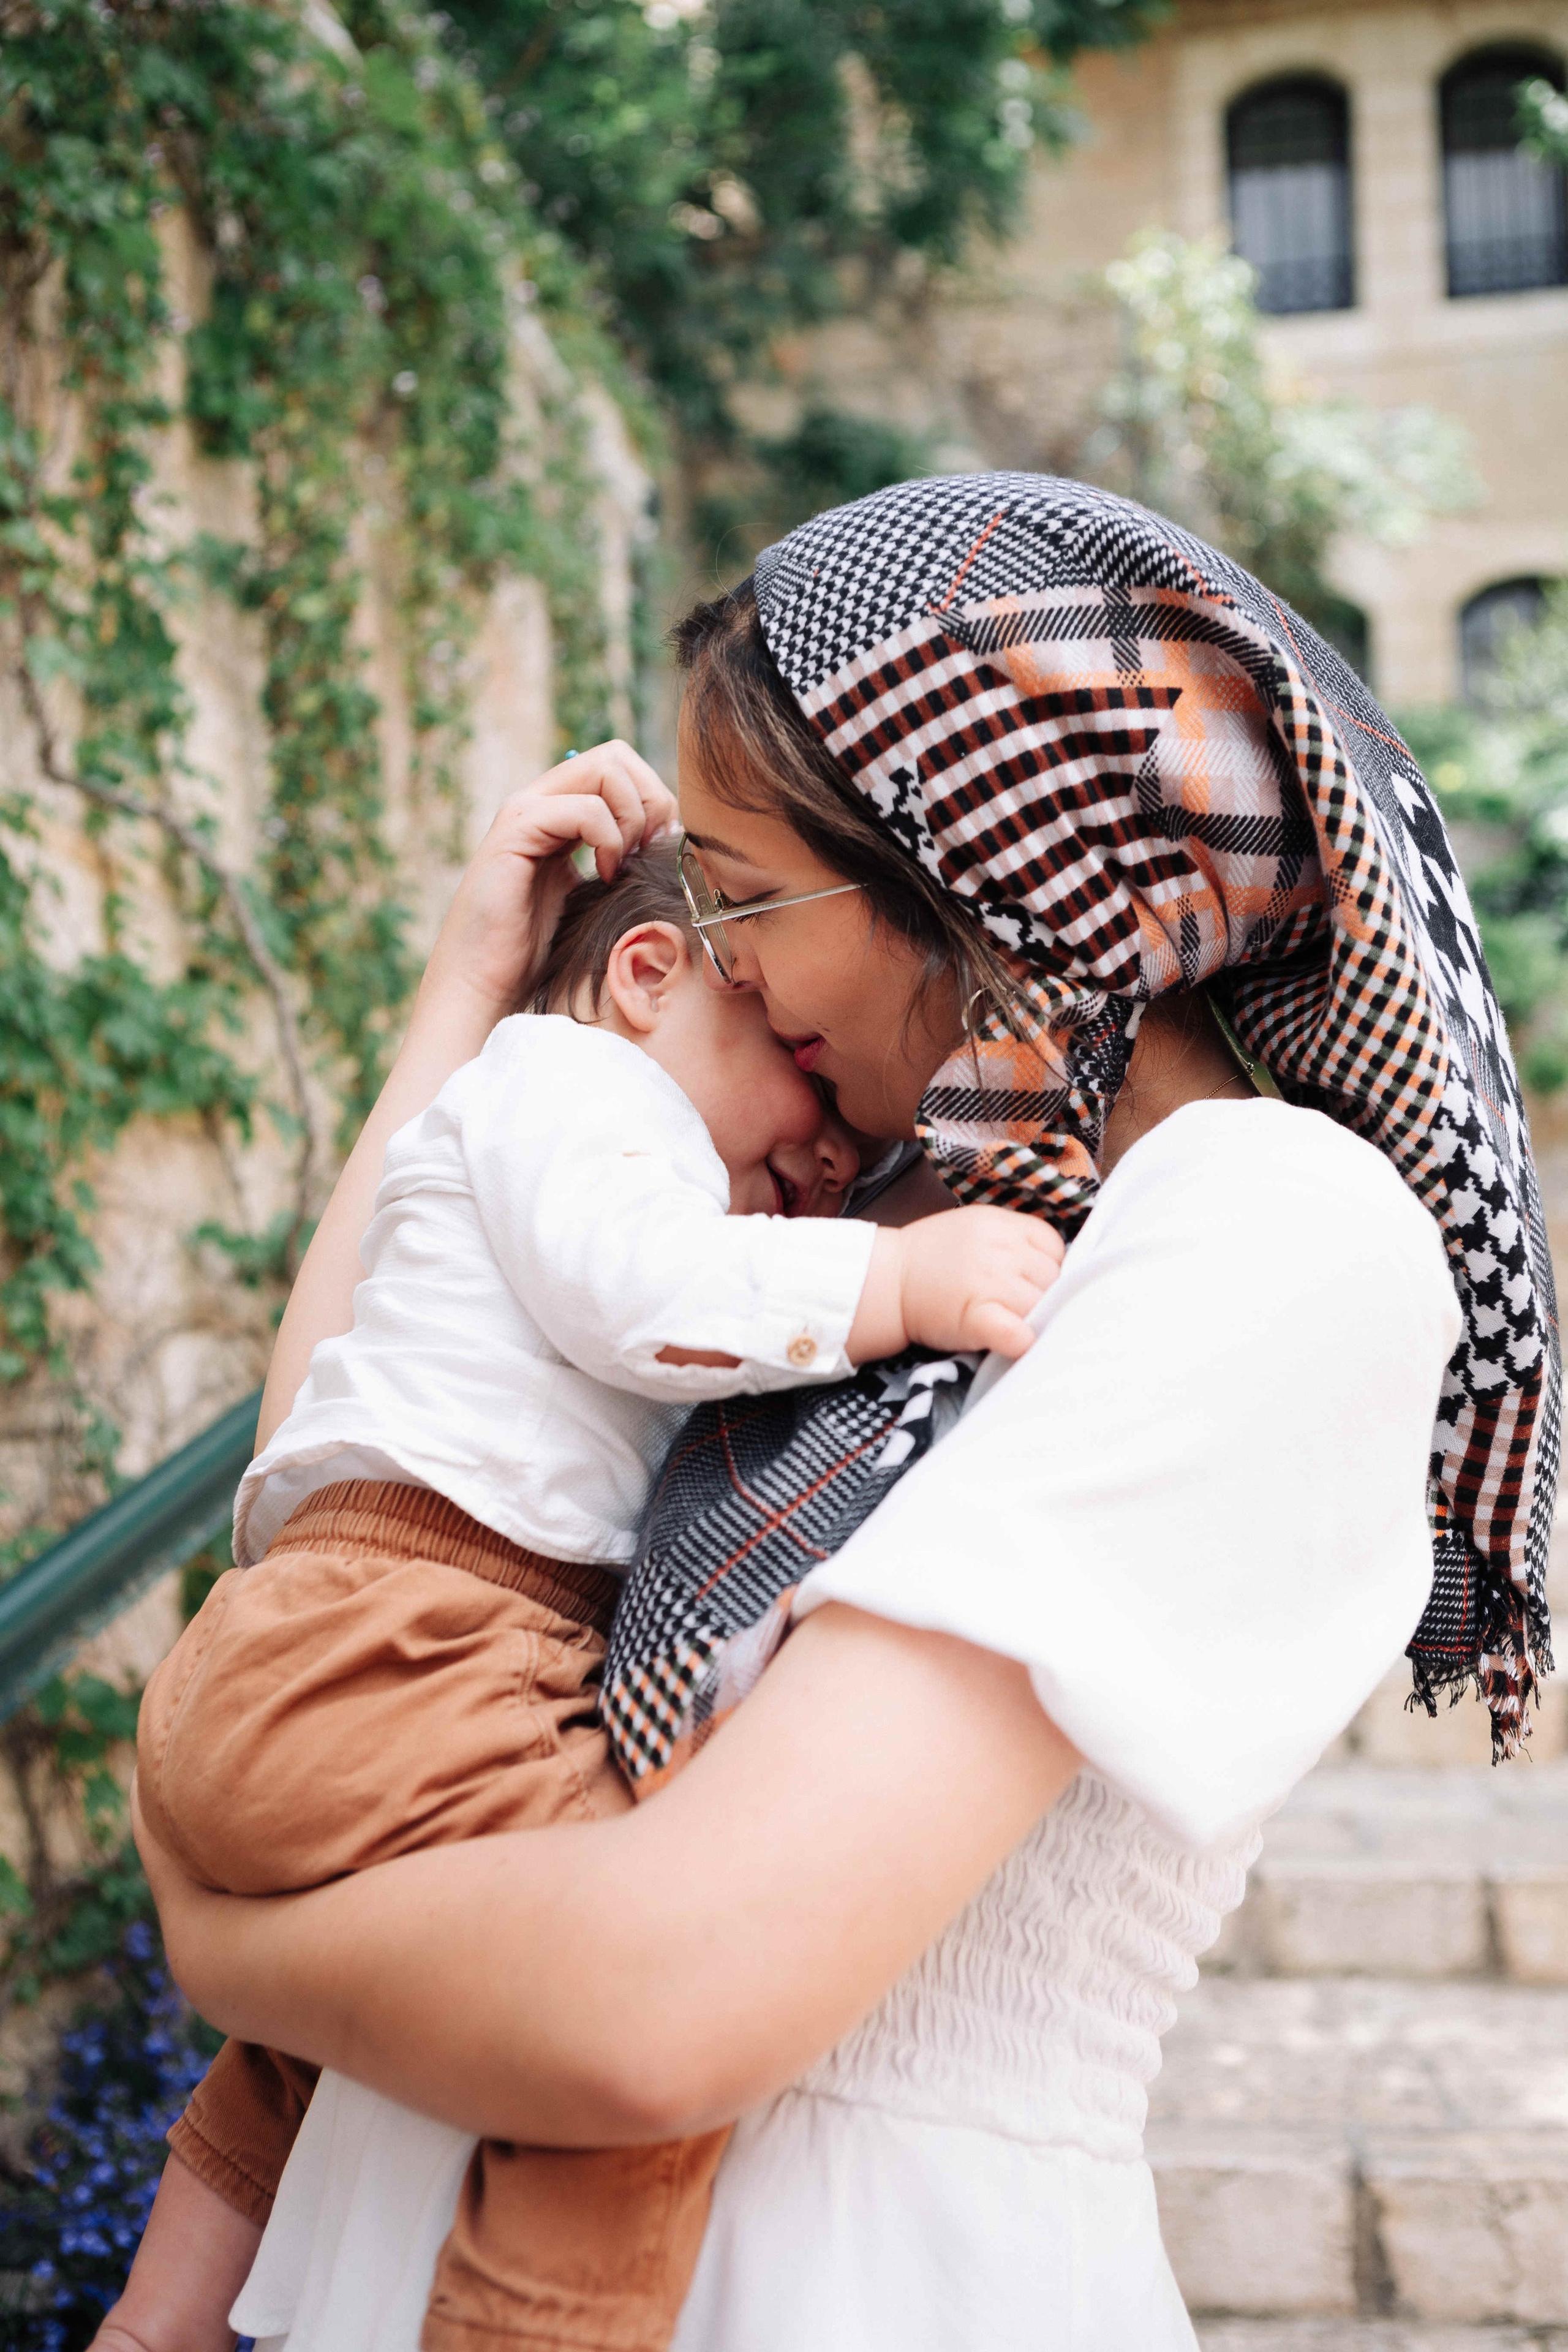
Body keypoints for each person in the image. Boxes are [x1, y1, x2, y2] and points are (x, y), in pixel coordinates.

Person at [128, 475, 1556, 2352]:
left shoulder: (1263, 1230)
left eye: (745, 895)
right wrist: (476, 996)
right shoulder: (848, 1215)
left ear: (975, 858)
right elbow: (347, 1465)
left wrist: (224, 1934)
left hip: (831, 2283)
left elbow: (662, 2005)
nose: (716, 958)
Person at [122, 827, 1060, 2352]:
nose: (837, 1159)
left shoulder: (551, 1131)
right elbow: (641, 1292)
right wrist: (892, 1280)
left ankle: (158, 2320)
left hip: (331, 1649)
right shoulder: (576, 1088)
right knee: (631, 2003)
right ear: (645, 975)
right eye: (809, 1079)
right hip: (408, 1639)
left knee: (351, 2026)